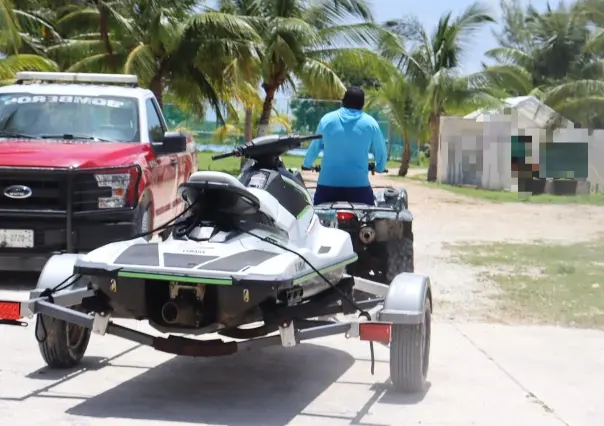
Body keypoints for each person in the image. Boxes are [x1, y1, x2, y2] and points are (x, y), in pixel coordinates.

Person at [302, 86, 387, 205]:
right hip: (359, 189)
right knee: (369, 218)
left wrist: (307, 164)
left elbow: (314, 147)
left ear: (343, 101)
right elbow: (381, 152)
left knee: (315, 217)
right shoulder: (371, 123)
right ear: (362, 104)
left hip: (327, 187)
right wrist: (380, 167)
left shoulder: (327, 120)